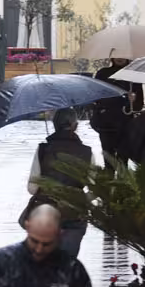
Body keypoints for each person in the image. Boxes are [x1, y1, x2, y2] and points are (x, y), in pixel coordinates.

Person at [26, 109, 94, 257]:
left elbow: (32, 188)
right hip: (75, 212)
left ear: (54, 125)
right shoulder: (86, 152)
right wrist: (81, 198)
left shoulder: (43, 149)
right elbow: (97, 187)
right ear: (75, 126)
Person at [89, 58, 140, 160]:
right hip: (106, 126)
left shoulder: (134, 76)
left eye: (123, 55)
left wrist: (133, 101)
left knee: (123, 161)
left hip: (126, 126)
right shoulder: (103, 74)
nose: (119, 58)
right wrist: (123, 98)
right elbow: (96, 97)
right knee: (108, 161)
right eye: (117, 55)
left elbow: (139, 105)